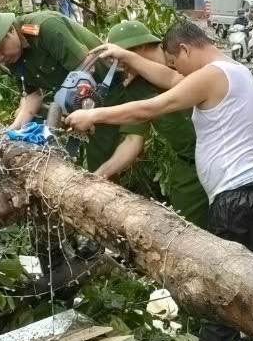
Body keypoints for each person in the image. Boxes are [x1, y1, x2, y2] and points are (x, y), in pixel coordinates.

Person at [65, 20, 253, 341]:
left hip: (238, 196)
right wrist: (126, 56)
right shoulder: (231, 71)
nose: (173, 68)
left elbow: (155, 105)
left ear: (185, 49)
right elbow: (169, 81)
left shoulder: (212, 75)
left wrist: (96, 115)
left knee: (221, 283)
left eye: (174, 60)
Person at [85, 20, 210, 228]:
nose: (121, 66)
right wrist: (101, 174)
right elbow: (133, 140)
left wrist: (94, 116)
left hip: (224, 161)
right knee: (188, 232)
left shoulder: (185, 61)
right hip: (189, 167)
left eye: (121, 58)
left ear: (139, 48)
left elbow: (175, 81)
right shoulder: (137, 88)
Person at [0, 7, 103, 128]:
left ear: (11, 30)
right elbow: (32, 95)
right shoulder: (13, 56)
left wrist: (64, 106)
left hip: (109, 85)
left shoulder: (45, 27)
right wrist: (14, 129)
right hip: (86, 101)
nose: (0, 58)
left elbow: (86, 65)